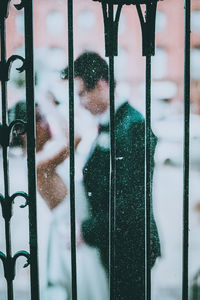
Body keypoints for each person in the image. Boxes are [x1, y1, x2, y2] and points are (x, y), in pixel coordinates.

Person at [62, 51, 161, 300]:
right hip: (113, 246)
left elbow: (130, 201)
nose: (80, 102)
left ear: (102, 85)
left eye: (82, 93)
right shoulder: (112, 124)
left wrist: (87, 230)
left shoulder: (132, 126)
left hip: (129, 250)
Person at [8, 99, 109, 300]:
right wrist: (51, 103)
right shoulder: (38, 163)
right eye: (39, 119)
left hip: (81, 241)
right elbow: (76, 136)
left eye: (44, 117)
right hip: (76, 251)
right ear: (22, 131)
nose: (46, 124)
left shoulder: (47, 155)